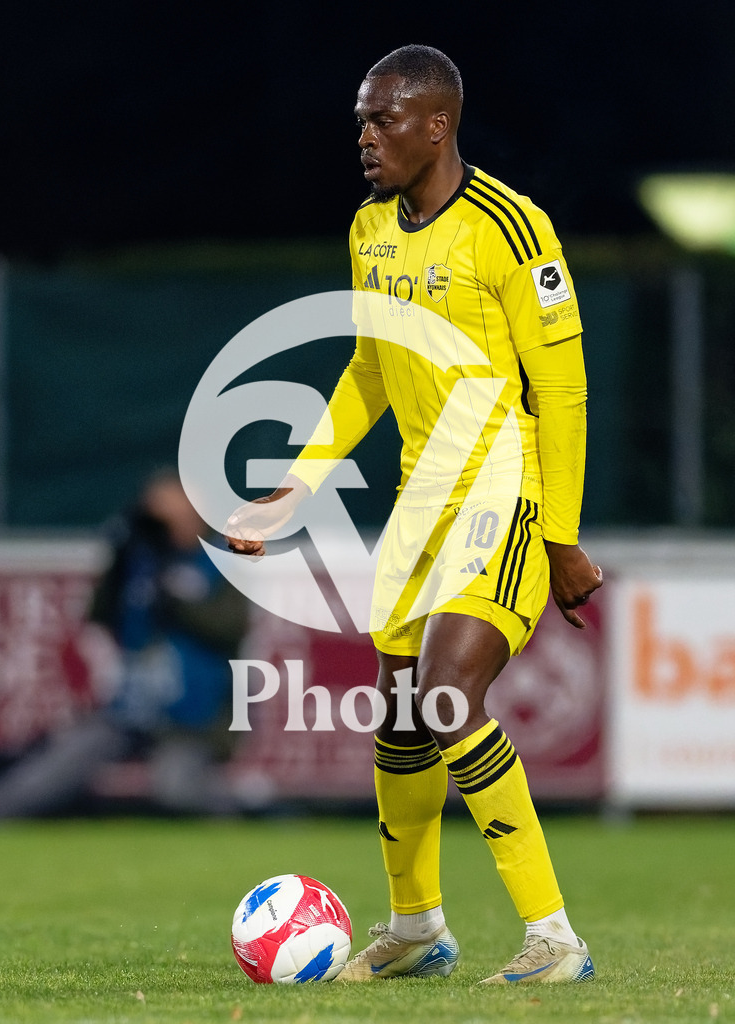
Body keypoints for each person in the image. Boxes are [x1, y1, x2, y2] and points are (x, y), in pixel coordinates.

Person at [225, 45, 602, 984]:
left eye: (383, 119)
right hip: (418, 508)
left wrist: (560, 535)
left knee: (445, 698)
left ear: (439, 124)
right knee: (400, 720)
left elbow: (564, 392)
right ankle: (417, 927)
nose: (365, 137)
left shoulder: (511, 230)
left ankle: (555, 940)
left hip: (503, 496)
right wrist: (296, 489)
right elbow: (366, 371)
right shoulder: (369, 229)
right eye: (361, 119)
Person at [0, 469, 248, 817]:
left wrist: (174, 598)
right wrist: (122, 560)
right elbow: (100, 616)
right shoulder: (138, 560)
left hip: (193, 714)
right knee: (57, 768)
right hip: (130, 705)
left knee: (176, 787)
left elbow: (232, 627)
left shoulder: (219, 559)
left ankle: (251, 806)